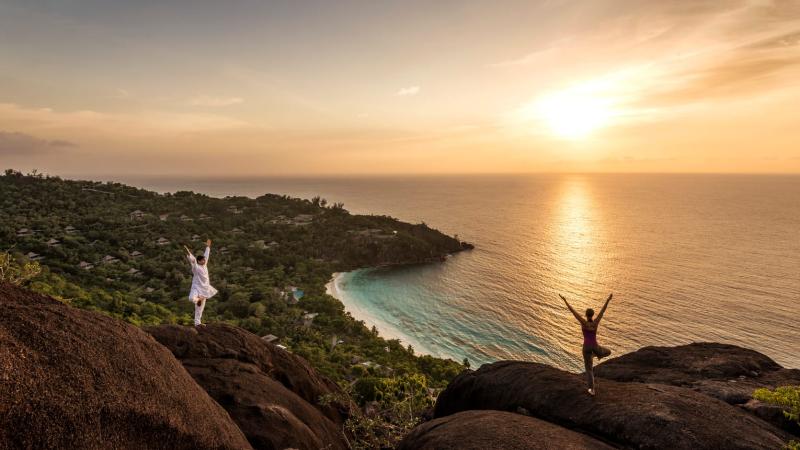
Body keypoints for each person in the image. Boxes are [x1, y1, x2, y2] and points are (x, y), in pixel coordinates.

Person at [560, 293, 613, 396]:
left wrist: (565, 300)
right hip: (595, 346)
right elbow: (603, 310)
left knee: (589, 370)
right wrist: (608, 299)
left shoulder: (583, 322)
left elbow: (573, 312)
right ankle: (598, 355)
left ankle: (592, 390)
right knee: (608, 352)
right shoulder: (596, 322)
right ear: (592, 315)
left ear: (586, 314)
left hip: (586, 348)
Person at [184, 239, 218, 327]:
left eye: (204, 260)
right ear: (199, 261)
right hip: (196, 288)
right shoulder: (196, 268)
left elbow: (206, 255)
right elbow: (193, 260)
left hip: (205, 289)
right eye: (202, 260)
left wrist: (208, 246)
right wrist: (188, 252)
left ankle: (197, 323)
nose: (204, 261)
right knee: (191, 298)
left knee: (200, 308)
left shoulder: (204, 264)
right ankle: (198, 299)